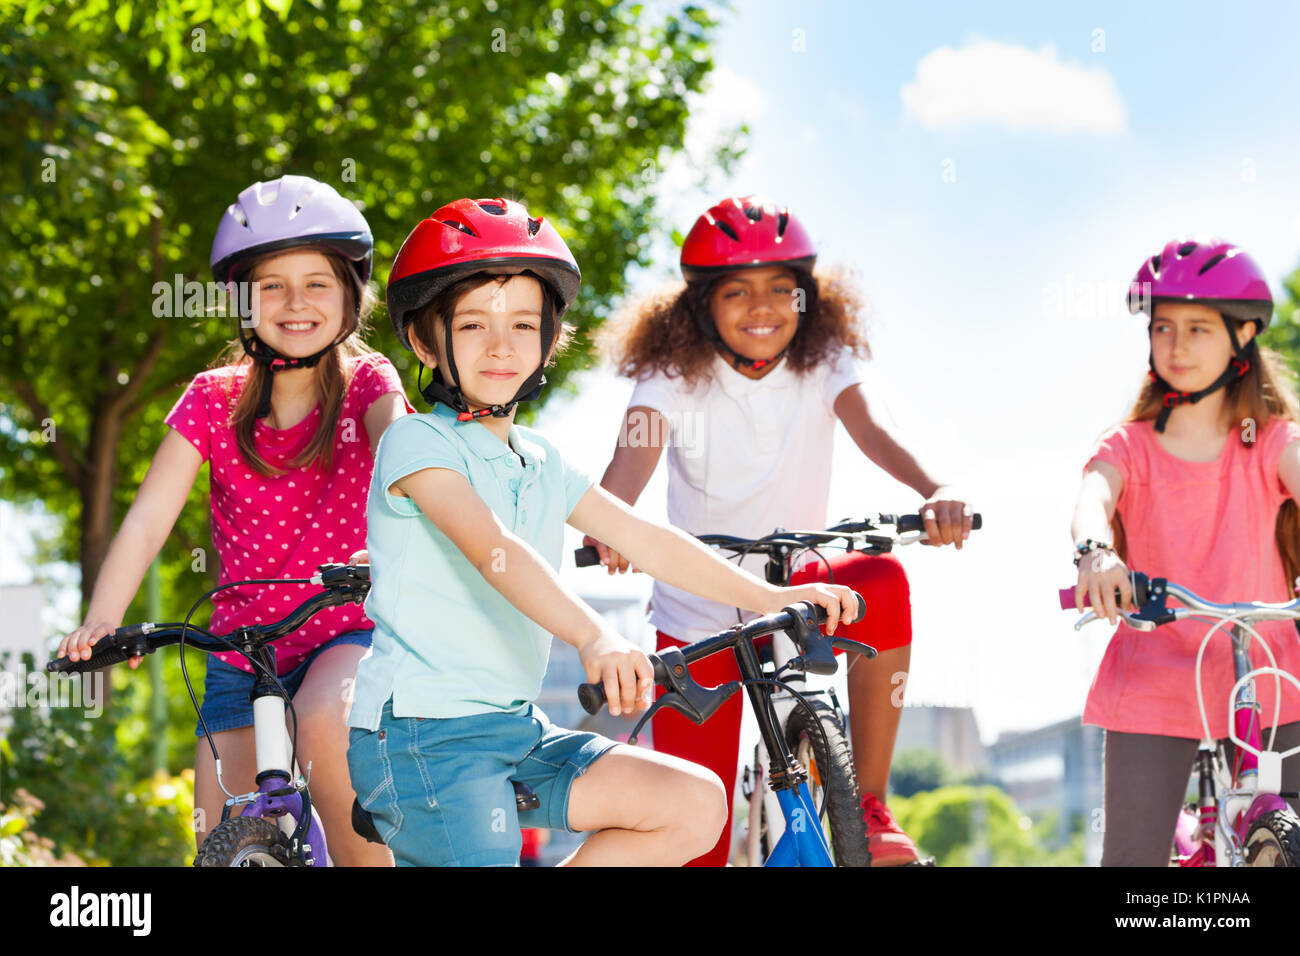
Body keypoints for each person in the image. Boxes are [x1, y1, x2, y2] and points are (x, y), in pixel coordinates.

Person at [345, 197, 863, 866]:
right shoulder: (417, 443)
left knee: (695, 804)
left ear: (548, 339)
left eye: (523, 324)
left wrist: (774, 601)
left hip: (513, 729)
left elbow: (646, 538)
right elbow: (494, 551)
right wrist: (594, 636)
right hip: (420, 733)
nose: (501, 345)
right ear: (424, 341)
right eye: (473, 324)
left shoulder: (540, 459)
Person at [582, 195, 973, 866]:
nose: (762, 306)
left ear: (807, 300)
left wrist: (935, 491)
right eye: (737, 291)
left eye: (780, 290)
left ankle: (870, 807)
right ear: (701, 305)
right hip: (697, 604)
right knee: (693, 834)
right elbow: (632, 456)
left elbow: (875, 429)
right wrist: (609, 525)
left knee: (881, 576)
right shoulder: (671, 374)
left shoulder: (824, 361)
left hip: (800, 586)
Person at [56, 175, 411, 865]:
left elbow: (403, 461)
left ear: (351, 294)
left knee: (323, 722)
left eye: (316, 282)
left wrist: (411, 537)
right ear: (242, 304)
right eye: (271, 286)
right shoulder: (212, 399)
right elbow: (148, 522)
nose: (295, 302)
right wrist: (104, 620)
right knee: (216, 835)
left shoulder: (369, 383)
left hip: (346, 626)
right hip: (241, 648)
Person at [1071, 236, 1300, 866]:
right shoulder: (1131, 444)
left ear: (1245, 334)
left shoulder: (1273, 440)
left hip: (1271, 671)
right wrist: (1095, 552)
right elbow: (1094, 496)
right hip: (1156, 671)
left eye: (1199, 328)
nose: (1176, 345)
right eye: (1164, 326)